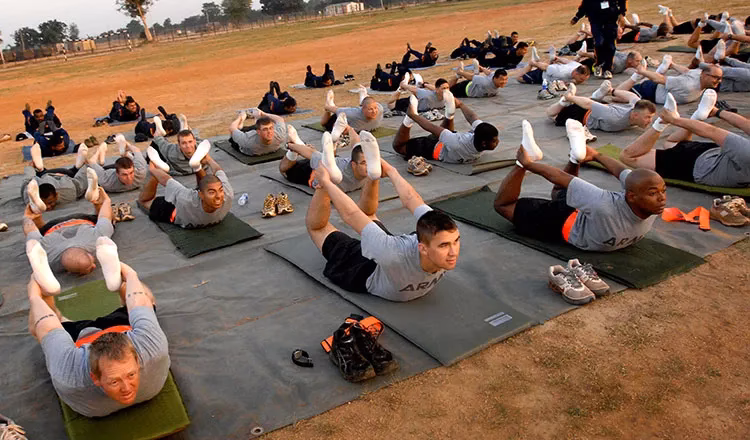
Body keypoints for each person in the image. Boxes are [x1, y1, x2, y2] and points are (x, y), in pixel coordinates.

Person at [306, 150, 460, 302]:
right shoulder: (390, 252)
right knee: (318, 229)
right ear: (423, 248)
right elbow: (352, 215)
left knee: (369, 218)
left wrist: (390, 171)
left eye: (455, 241)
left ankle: (373, 174)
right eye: (444, 246)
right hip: (365, 272)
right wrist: (327, 183)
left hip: (392, 260)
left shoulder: (442, 230)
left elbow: (411, 199)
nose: (453, 252)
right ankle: (325, 183)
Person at [493, 119, 666, 253]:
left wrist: (597, 155)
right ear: (632, 196)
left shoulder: (650, 203)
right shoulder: (604, 204)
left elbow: (621, 171)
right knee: (503, 206)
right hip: (563, 221)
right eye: (653, 193)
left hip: (589, 218)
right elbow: (561, 177)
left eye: (663, 191)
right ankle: (520, 165)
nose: (662, 198)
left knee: (561, 192)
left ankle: (576, 158)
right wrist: (528, 164)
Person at [26, 261, 170, 418]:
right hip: (109, 328)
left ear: (137, 361)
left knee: (46, 325)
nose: (127, 389)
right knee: (147, 301)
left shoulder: (69, 375)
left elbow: (47, 326)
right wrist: (130, 275)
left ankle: (50, 294)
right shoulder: (153, 347)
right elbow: (139, 301)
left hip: (89, 335)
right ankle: (119, 284)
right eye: (114, 382)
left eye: (131, 375)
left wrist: (35, 297)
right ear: (95, 378)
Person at [621, 91, 750, 189]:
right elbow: (746, 125)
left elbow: (711, 131)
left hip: (696, 165)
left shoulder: (746, 152)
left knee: (627, 156)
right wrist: (717, 111)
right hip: (712, 154)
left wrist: (673, 120)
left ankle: (661, 123)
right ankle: (698, 116)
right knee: (671, 143)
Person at [22, 184, 114, 275]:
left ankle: (36, 211)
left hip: (77, 221)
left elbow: (104, 216)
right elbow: (30, 230)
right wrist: (28, 218)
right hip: (54, 227)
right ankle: (36, 214)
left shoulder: (98, 240)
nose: (94, 266)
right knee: (38, 234)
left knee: (107, 222)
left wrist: (105, 202)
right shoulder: (44, 257)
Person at [392, 94, 499, 165]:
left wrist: (461, 105)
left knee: (447, 135)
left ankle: (449, 115)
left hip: (450, 142)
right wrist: (413, 115)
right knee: (398, 147)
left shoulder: (480, 132)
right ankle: (408, 120)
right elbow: (432, 128)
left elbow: (472, 118)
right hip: (431, 148)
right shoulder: (457, 143)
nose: (498, 142)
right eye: (494, 141)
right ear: (484, 143)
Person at [138, 153, 233, 229]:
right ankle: (158, 170)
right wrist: (153, 170)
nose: (218, 196)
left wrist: (208, 159)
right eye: (212, 193)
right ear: (200, 195)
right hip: (178, 209)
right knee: (144, 201)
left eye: (220, 190)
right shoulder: (185, 199)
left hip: (195, 202)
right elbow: (167, 180)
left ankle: (196, 167)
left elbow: (219, 171)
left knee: (209, 184)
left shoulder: (227, 193)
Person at [546, 83, 656, 137]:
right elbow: (588, 104)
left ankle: (596, 96)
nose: (650, 121)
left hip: (603, 107)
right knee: (551, 114)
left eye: (651, 117)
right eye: (647, 117)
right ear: (635, 115)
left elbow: (632, 97)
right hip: (583, 113)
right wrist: (570, 98)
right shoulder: (614, 117)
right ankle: (565, 100)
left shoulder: (636, 106)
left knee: (597, 104)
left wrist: (612, 91)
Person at [280, 125, 369, 193]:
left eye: (370, 161)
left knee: (326, 160)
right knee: (284, 170)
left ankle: (332, 143)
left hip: (333, 162)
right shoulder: (341, 169)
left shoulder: (372, 168)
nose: (369, 166)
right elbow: (311, 154)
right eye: (364, 163)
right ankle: (295, 145)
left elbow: (356, 144)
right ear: (354, 165)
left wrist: (349, 128)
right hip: (313, 171)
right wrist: (290, 146)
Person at [21, 144, 101, 213]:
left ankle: (78, 165)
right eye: (43, 203)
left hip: (64, 175)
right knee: (35, 172)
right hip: (43, 175)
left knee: (80, 171)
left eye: (50, 202)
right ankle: (39, 166)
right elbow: (28, 180)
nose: (48, 207)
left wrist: (87, 165)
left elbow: (80, 181)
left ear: (56, 195)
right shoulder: (31, 196)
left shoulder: (68, 191)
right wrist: (30, 167)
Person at [615, 62, 722, 104]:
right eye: (716, 78)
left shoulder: (698, 73)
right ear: (704, 75)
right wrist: (642, 71)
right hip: (651, 91)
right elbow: (660, 79)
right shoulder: (686, 84)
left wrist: (672, 64)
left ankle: (659, 69)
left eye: (720, 78)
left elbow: (686, 71)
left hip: (659, 89)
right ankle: (635, 77)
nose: (719, 81)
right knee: (617, 97)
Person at [570, 0, 627, 79]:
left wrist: (622, 14)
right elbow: (585, 4)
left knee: (611, 46)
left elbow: (622, 1)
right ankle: (598, 64)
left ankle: (607, 69)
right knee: (599, 42)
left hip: (611, 19)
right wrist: (577, 17)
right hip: (595, 20)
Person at [517, 48, 591, 86]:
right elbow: (545, 67)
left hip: (554, 69)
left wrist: (557, 58)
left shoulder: (577, 66)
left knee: (552, 66)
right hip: (542, 75)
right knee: (519, 78)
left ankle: (551, 58)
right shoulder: (560, 72)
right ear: (576, 73)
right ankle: (532, 62)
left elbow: (567, 61)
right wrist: (534, 63)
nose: (582, 81)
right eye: (581, 79)